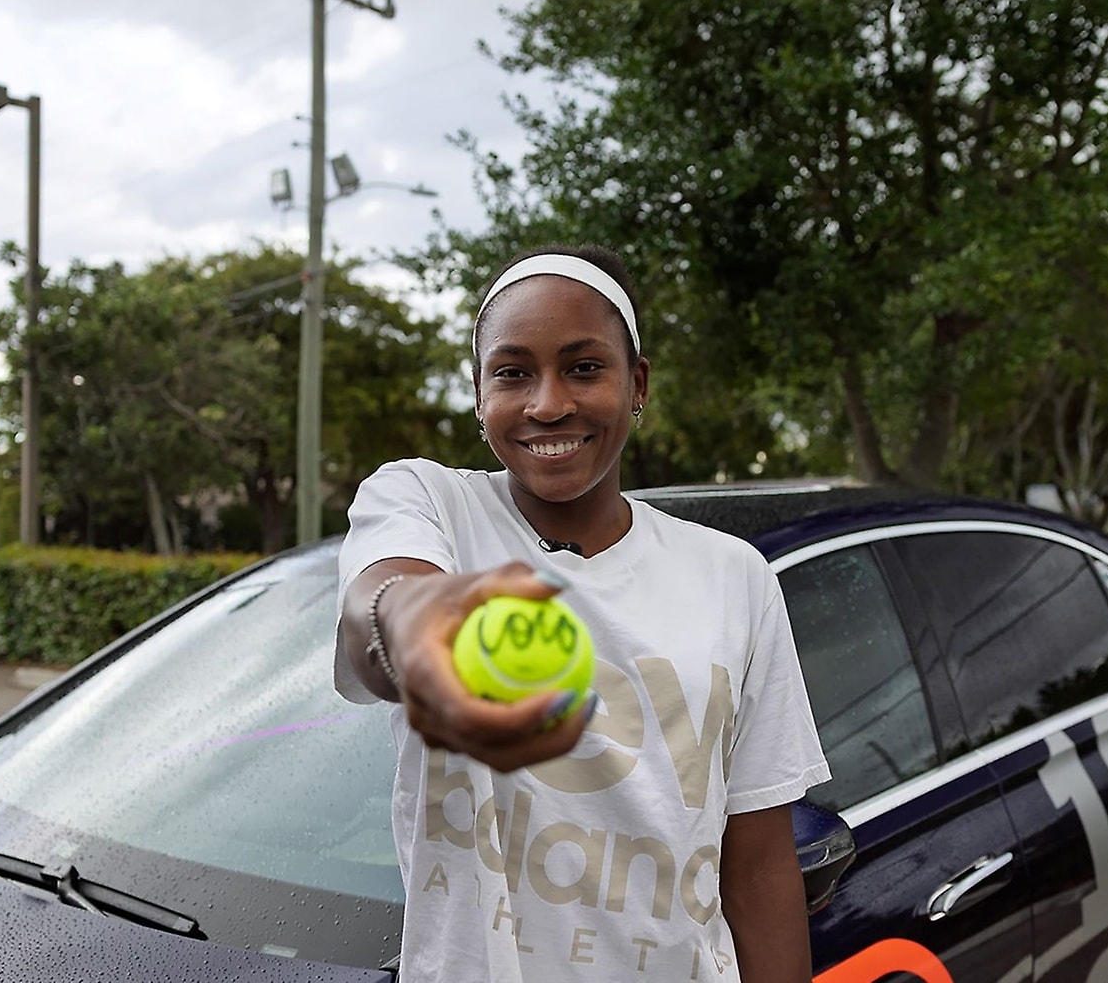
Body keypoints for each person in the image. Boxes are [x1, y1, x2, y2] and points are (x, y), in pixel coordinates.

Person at [335, 245, 830, 982]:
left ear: (638, 384)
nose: (547, 402)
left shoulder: (735, 577)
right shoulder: (428, 503)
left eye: (583, 367)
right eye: (512, 373)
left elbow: (758, 866)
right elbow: (375, 612)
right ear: (478, 394)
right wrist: (422, 632)